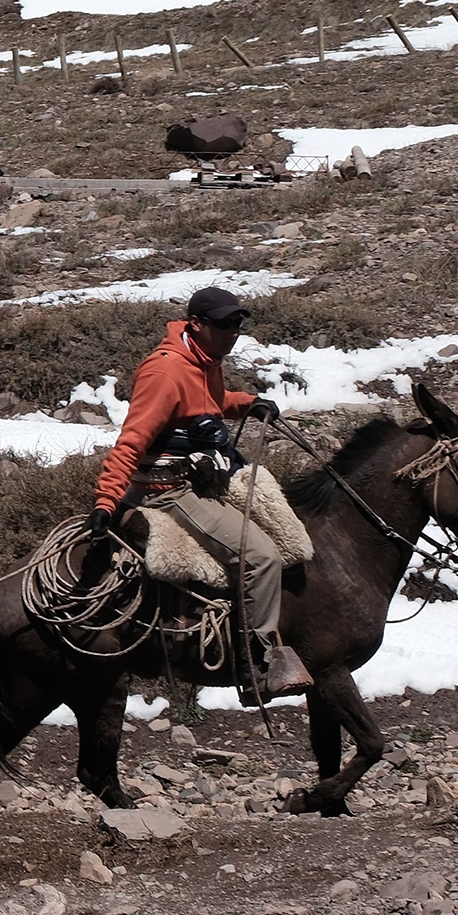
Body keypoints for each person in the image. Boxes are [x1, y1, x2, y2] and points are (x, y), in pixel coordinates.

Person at [91, 284, 309, 701]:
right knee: (261, 556)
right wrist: (107, 500)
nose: (233, 333)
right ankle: (257, 665)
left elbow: (210, 401)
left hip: (201, 479)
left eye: (237, 325)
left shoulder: (206, 360)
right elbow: (131, 441)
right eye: (224, 325)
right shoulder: (164, 373)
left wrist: (247, 403)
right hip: (168, 490)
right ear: (196, 324)